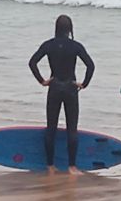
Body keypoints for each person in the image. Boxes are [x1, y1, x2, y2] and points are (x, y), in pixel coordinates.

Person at [28, 14, 95, 175]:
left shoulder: (48, 45)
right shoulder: (76, 46)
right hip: (71, 89)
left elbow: (32, 62)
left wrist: (42, 81)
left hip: (55, 87)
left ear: (56, 28)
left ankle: (50, 165)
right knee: (72, 128)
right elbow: (91, 66)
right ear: (70, 29)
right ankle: (72, 167)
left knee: (51, 128)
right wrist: (84, 84)